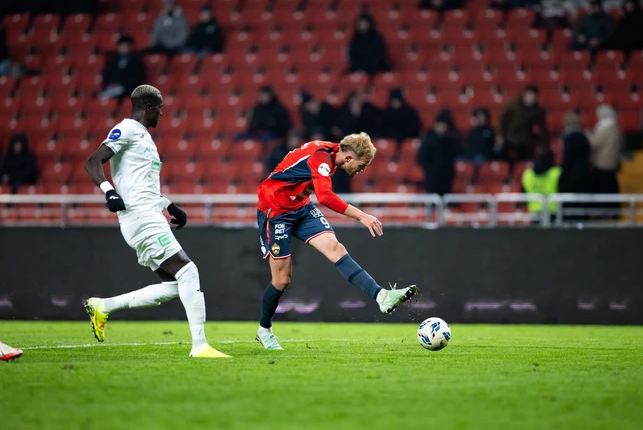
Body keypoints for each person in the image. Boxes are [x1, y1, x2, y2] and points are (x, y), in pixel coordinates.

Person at [83, 85, 228, 358]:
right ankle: (200, 346)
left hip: (149, 213)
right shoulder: (126, 130)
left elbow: (143, 184)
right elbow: (92, 161)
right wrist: (108, 191)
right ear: (148, 108)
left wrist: (168, 204)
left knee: (175, 285)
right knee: (188, 272)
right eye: (159, 109)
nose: (161, 114)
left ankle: (103, 306)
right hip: (140, 217)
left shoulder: (145, 137)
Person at [255, 134, 417, 349]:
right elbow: (324, 196)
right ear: (349, 158)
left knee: (335, 248)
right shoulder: (321, 157)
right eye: (362, 165)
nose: (362, 170)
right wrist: (361, 215)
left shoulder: (331, 154)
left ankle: (381, 295)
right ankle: (264, 330)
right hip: (275, 211)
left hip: (301, 207)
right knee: (282, 280)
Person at [496, 85, 548, 162]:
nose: (531, 98)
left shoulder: (537, 110)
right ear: (524, 95)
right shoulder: (513, 105)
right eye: (529, 95)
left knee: (524, 160)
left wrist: (542, 143)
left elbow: (542, 128)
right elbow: (502, 119)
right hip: (509, 138)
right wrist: (500, 134)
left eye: (534, 96)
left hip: (525, 140)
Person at [559, 112, 593, 221]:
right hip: (584, 172)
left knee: (571, 204)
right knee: (583, 204)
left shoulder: (568, 137)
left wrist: (563, 172)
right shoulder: (583, 136)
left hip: (571, 175)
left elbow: (567, 158)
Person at [589, 105, 621, 217]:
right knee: (611, 187)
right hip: (612, 163)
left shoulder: (604, 127)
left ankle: (602, 211)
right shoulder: (614, 127)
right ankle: (614, 212)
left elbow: (595, 143)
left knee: (603, 189)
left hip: (602, 163)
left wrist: (587, 135)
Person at [521, 146, 561, 222]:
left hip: (535, 217)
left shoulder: (527, 175)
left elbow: (523, 198)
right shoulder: (557, 173)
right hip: (553, 216)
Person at [100, 36, 146, 100]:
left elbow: (139, 79)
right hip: (112, 89)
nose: (123, 48)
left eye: (125, 46)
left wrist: (122, 85)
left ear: (130, 47)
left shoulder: (137, 62)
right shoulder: (112, 61)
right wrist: (111, 84)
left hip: (129, 91)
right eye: (121, 46)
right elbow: (106, 76)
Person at [382, 88, 422, 158]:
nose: (395, 103)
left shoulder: (410, 112)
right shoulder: (386, 113)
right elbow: (382, 129)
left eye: (397, 101)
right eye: (393, 101)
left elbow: (416, 128)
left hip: (407, 139)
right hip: (391, 140)